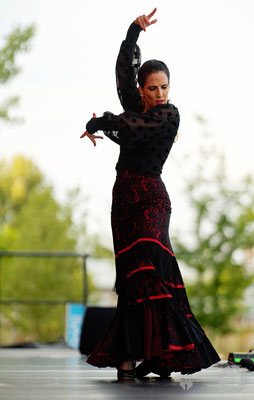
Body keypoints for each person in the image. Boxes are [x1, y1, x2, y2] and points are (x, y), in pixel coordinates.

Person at [81, 8, 220, 380]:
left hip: (152, 199)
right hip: (123, 197)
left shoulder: (167, 116)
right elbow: (124, 74)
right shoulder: (135, 104)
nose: (160, 94)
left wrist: (98, 121)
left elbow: (129, 125)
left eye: (164, 87)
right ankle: (128, 358)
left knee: (151, 268)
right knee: (130, 277)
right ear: (142, 90)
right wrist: (132, 34)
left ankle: (167, 352)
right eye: (153, 88)